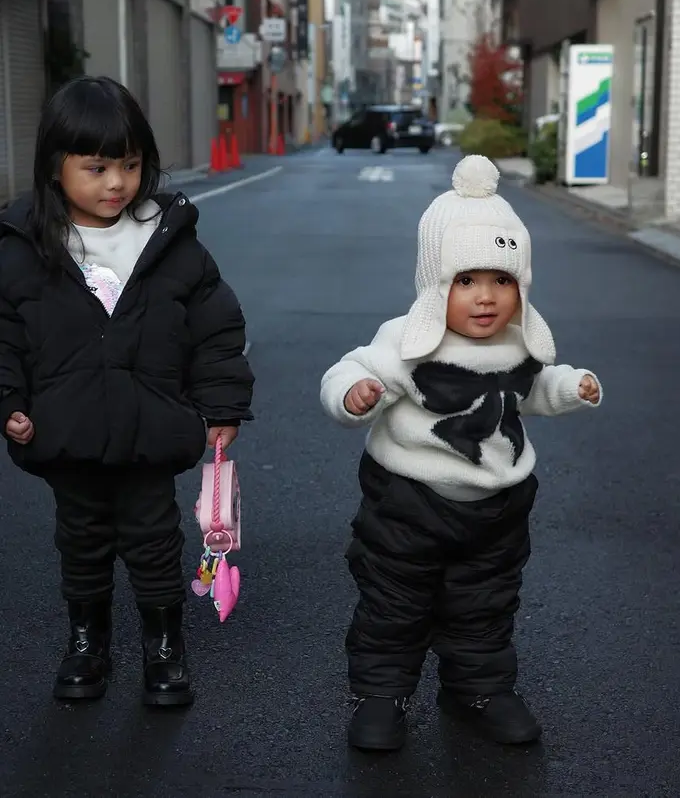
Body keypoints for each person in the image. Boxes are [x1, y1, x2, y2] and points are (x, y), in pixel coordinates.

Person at [320, 155, 602, 752]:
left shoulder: (518, 342)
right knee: (394, 604)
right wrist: (355, 393)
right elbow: (349, 370)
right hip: (408, 503)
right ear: (435, 283)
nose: (485, 298)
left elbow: (534, 390)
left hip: (497, 507)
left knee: (486, 604)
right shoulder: (406, 341)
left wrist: (571, 387)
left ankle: (478, 688)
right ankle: (381, 696)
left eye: (502, 281)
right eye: (466, 280)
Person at [0, 76, 254, 707]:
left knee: (153, 541)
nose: (117, 183)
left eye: (131, 165)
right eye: (97, 167)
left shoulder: (171, 243)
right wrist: (10, 403)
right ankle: (87, 643)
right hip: (67, 430)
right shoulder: (25, 248)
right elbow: (3, 339)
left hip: (151, 427)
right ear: (55, 170)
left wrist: (221, 406)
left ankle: (164, 647)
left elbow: (216, 331)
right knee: (80, 541)